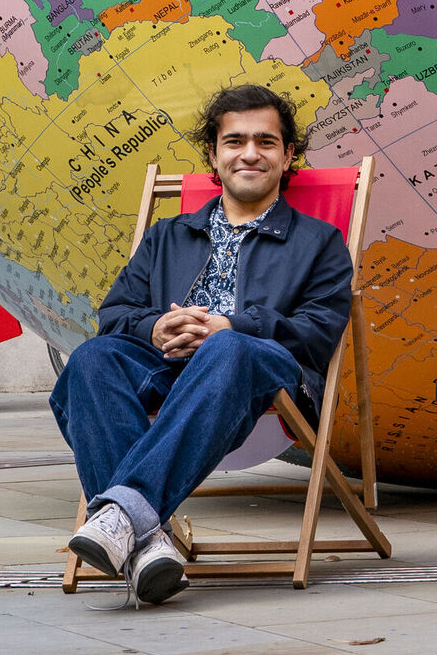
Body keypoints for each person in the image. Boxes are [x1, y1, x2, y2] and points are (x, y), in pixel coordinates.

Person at [52, 82, 352, 602]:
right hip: (167, 369)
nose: (250, 153)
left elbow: (320, 330)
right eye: (234, 141)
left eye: (266, 141)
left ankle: (120, 517)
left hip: (263, 375)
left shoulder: (318, 242)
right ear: (213, 155)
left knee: (225, 349)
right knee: (92, 359)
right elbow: (115, 314)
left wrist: (234, 326)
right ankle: (148, 544)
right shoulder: (167, 235)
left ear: (287, 156)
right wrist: (154, 328)